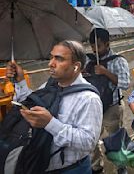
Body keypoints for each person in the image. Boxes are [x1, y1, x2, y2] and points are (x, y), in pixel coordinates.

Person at [6, 40, 102, 173]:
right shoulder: (50, 85)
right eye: (51, 57)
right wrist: (20, 81)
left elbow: (88, 143)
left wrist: (50, 123)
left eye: (59, 59)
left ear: (76, 66)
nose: (50, 63)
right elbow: (32, 103)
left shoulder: (88, 99)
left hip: (71, 170)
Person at [88, 29, 130, 174]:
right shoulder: (89, 60)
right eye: (92, 46)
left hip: (112, 107)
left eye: (98, 46)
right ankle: (96, 166)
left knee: (115, 139)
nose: (95, 50)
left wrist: (105, 72)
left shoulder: (118, 61)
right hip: (93, 108)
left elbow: (125, 84)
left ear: (107, 44)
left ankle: (121, 166)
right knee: (91, 139)